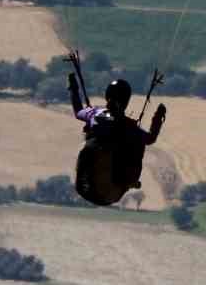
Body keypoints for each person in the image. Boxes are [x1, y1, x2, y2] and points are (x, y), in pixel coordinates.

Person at [67, 65, 166, 202]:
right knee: (137, 145)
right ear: (126, 102)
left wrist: (73, 87)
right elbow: (150, 139)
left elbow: (78, 110)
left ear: (107, 96)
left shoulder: (94, 114)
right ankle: (131, 180)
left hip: (83, 189)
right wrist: (158, 118)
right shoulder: (128, 127)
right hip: (109, 194)